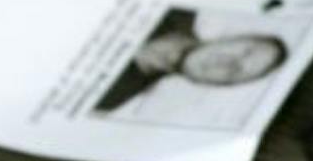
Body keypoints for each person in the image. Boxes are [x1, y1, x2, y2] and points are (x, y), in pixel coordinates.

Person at [94, 7, 289, 116]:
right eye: (246, 51)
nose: (226, 63)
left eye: (236, 72)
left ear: (218, 85)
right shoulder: (174, 7)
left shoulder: (111, 98)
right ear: (228, 38)